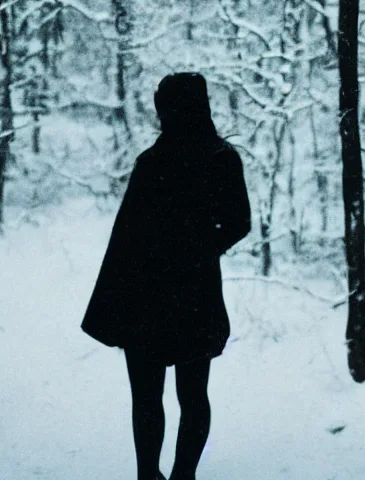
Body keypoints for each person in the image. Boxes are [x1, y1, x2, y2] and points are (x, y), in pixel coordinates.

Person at [82, 73, 251, 480]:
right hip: (185, 297)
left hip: (152, 298)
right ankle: (172, 477)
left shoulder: (168, 161)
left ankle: (159, 476)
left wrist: (188, 249)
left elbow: (124, 240)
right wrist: (200, 250)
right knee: (185, 395)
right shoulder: (214, 158)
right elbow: (237, 223)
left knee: (160, 396)